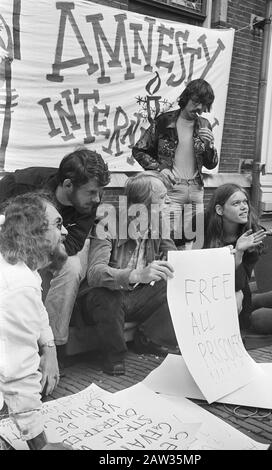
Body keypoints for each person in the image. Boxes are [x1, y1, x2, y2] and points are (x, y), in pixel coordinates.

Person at [0, 148, 110, 347]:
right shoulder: (19, 185)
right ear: (68, 184)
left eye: (100, 192)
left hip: (54, 248)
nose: (97, 199)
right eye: (92, 192)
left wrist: (41, 253)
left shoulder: (88, 204)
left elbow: (75, 242)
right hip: (11, 246)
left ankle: (52, 345)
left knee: (72, 267)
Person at [79, 172, 179, 376]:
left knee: (174, 281)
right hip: (107, 300)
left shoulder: (159, 224)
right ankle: (113, 356)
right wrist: (136, 275)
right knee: (105, 295)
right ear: (142, 204)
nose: (168, 201)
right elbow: (95, 274)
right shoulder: (107, 225)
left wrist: (221, 256)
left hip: (137, 297)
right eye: (162, 197)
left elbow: (176, 261)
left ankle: (149, 338)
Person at [0, 193, 71, 450]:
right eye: (58, 224)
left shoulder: (18, 263)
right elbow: (16, 373)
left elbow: (38, 310)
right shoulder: (16, 283)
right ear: (35, 233)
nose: (64, 232)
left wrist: (49, 348)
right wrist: (40, 445)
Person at [132, 78, 218, 247]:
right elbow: (139, 150)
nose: (199, 108)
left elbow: (211, 164)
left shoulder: (204, 124)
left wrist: (209, 147)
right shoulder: (164, 121)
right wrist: (159, 169)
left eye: (203, 104)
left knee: (193, 241)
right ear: (186, 98)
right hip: (171, 190)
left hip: (196, 190)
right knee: (168, 240)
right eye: (196, 102)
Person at [203, 183, 267, 329]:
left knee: (237, 296)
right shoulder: (201, 225)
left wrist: (239, 252)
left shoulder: (254, 233)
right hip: (203, 288)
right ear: (219, 210)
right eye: (236, 203)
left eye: (245, 202)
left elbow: (238, 284)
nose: (244, 207)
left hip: (234, 289)